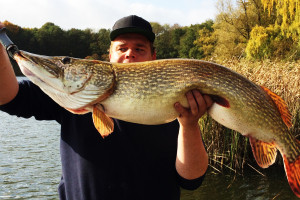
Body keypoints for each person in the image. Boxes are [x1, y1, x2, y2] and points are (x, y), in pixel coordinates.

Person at [0, 15, 212, 200]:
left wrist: (189, 125)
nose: (130, 54)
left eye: (139, 48)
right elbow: (7, 97)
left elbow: (191, 180)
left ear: (153, 58)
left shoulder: (175, 103)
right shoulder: (70, 95)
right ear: (109, 56)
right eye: (122, 48)